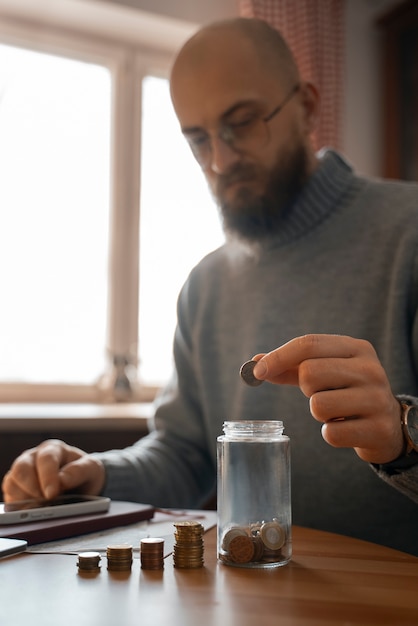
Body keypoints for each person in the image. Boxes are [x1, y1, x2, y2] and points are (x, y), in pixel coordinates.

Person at [3, 17, 418, 555]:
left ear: (309, 106)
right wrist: (95, 477)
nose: (220, 161)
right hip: (247, 598)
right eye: (198, 140)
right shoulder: (204, 284)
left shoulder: (408, 233)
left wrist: (402, 436)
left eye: (242, 124)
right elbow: (183, 455)